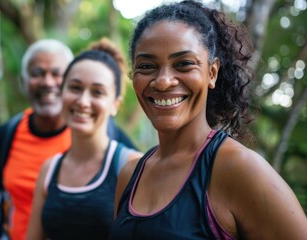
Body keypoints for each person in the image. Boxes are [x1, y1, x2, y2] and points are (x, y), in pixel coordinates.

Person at [109, 1, 307, 239]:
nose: (163, 81)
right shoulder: (130, 174)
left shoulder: (239, 169)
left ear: (212, 73)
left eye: (183, 64)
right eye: (147, 66)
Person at [0, 39, 137, 240]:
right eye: (37, 73)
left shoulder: (128, 161)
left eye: (56, 74)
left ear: (114, 104)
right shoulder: (26, 149)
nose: (47, 82)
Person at [26, 40, 143, 240]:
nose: (83, 102)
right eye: (75, 88)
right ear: (62, 93)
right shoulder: (50, 169)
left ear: (115, 104)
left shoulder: (133, 166)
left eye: (97, 92)